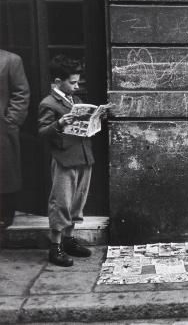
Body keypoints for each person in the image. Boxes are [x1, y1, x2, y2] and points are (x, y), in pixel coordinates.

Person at [38, 55, 95, 267]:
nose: (77, 86)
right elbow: (42, 133)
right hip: (64, 160)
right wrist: (59, 123)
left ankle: (69, 240)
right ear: (57, 82)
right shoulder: (48, 103)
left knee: (77, 203)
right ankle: (55, 247)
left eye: (77, 81)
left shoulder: (76, 101)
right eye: (72, 82)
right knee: (61, 203)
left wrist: (96, 118)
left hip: (82, 156)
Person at [0, 49, 30, 244]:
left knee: (4, 174)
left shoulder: (11, 60)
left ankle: (4, 217)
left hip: (2, 130)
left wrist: (10, 122)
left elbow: (21, 94)